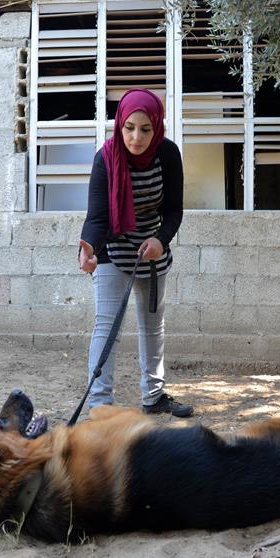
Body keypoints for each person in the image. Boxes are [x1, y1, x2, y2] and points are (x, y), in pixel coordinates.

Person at [78, 88, 193, 418]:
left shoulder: (168, 155)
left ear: (157, 128)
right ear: (119, 125)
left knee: (153, 327)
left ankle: (154, 396)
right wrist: (88, 249)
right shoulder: (105, 158)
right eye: (129, 127)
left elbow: (173, 210)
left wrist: (161, 240)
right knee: (107, 329)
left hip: (153, 254)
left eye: (146, 129)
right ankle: (100, 407)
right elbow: (98, 217)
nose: (136, 137)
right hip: (114, 251)